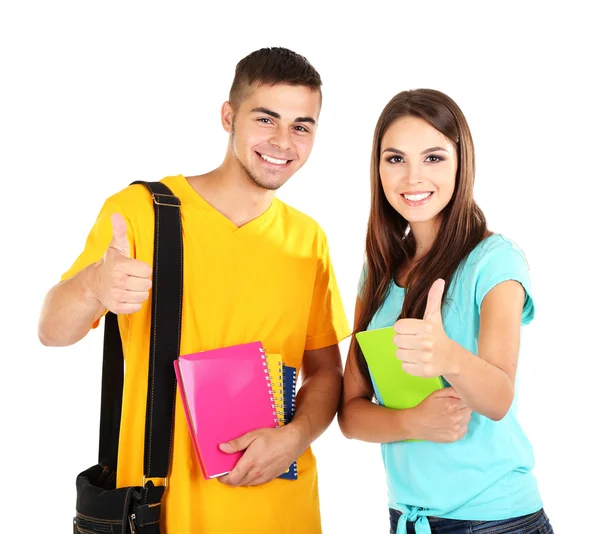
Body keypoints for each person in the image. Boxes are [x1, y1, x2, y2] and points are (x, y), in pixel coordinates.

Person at [38, 47, 350, 534]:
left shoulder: (309, 240)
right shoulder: (142, 211)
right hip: (161, 511)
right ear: (228, 116)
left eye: (302, 126)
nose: (283, 141)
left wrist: (295, 437)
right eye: (266, 119)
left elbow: (327, 371)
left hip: (281, 511)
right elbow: (51, 330)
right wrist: (94, 285)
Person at [338, 89, 553, 534]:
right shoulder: (377, 273)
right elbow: (351, 415)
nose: (413, 177)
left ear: (461, 162)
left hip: (496, 520)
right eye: (395, 159)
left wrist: (447, 357)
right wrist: (410, 421)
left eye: (433, 157)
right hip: (409, 519)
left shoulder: (495, 261)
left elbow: (497, 400)